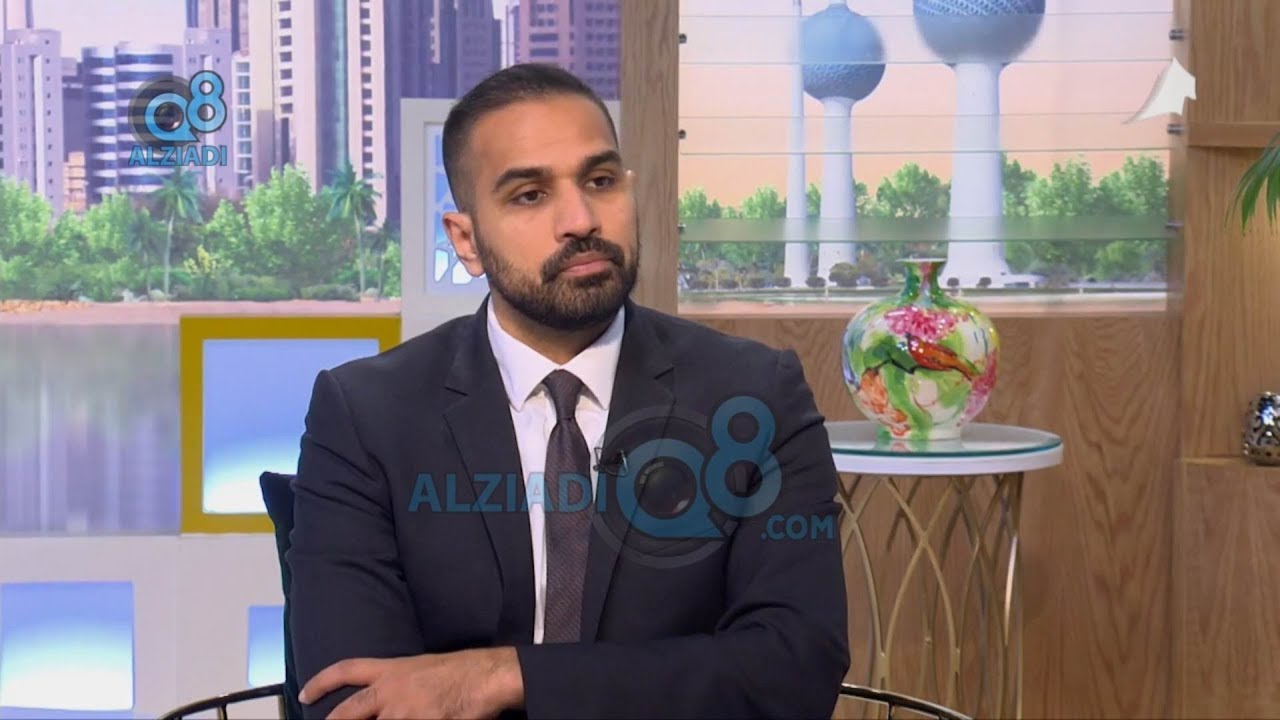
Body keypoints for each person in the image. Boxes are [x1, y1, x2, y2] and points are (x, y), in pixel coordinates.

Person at [288, 62, 850, 720]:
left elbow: (795, 668)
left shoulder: (755, 395)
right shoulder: (365, 414)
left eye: (600, 181)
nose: (580, 219)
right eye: (529, 195)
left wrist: (505, 675)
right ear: (466, 240)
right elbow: (354, 698)